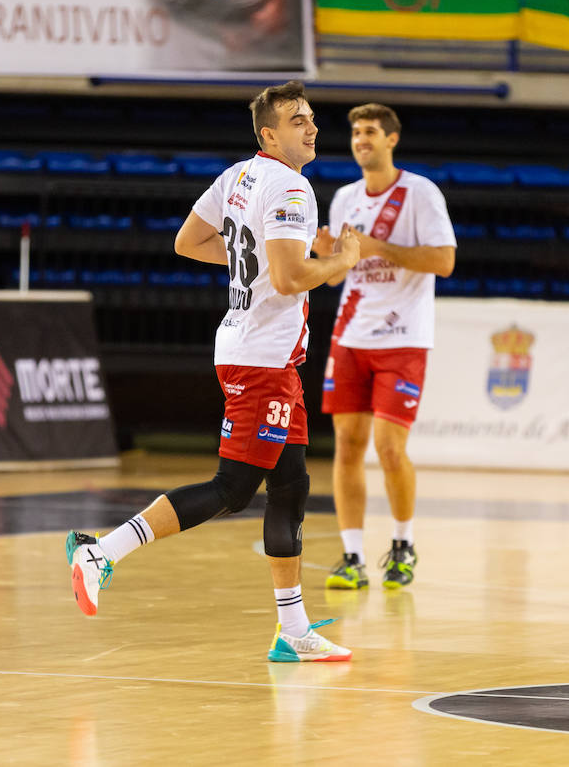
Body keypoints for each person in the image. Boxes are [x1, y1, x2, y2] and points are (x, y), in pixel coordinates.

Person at [65, 80, 362, 662]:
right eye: (298, 120)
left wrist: (264, 250)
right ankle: (102, 552)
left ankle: (293, 631)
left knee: (292, 484)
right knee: (233, 489)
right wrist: (339, 260)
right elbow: (286, 279)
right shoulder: (292, 188)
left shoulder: (239, 176)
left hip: (260, 351)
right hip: (262, 358)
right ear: (270, 134)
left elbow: (187, 242)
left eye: (311, 117)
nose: (312, 127)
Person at [311, 103, 455, 591]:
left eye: (370, 131)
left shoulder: (420, 193)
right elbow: (338, 277)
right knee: (347, 446)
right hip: (350, 337)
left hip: (404, 339)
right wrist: (326, 257)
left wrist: (382, 248)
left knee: (390, 449)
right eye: (355, 132)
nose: (360, 139)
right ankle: (351, 555)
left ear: (391, 139)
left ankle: (402, 543)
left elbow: (444, 261)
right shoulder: (344, 198)